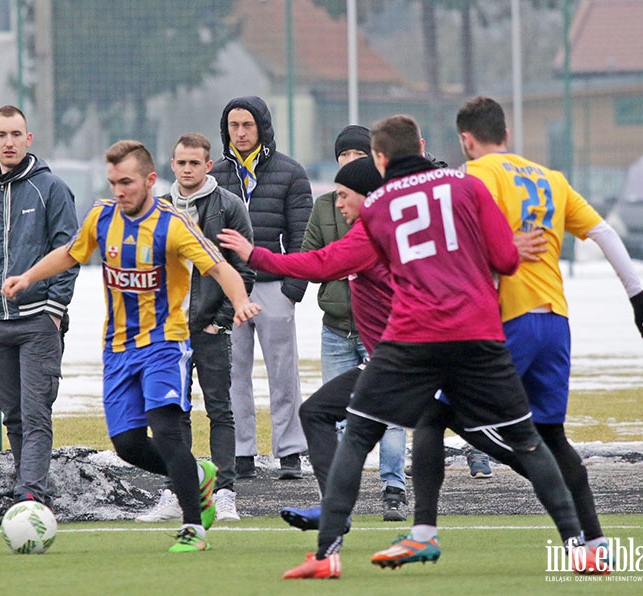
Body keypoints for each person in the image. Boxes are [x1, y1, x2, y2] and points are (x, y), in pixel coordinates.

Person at [281, 114, 594, 579]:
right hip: (481, 333)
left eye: (355, 163)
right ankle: (579, 544)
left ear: (380, 160)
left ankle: (337, 551)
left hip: (421, 344)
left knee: (489, 437)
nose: (342, 197)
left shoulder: (388, 206)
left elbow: (333, 262)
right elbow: (503, 257)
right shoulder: (462, 187)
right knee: (508, 437)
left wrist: (254, 256)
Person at [1, 140, 261, 553]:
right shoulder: (102, 218)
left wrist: (242, 301)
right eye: (113, 182)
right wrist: (28, 277)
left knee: (168, 430)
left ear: (150, 180)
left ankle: (193, 526)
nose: (119, 190)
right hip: (118, 349)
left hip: (165, 344)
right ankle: (198, 476)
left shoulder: (173, 224)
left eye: (127, 182)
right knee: (128, 445)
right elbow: (70, 254)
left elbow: (219, 266)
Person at [455, 95, 643, 561]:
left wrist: (503, 245)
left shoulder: (479, 173)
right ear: (508, 135)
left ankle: (535, 476)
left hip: (512, 319)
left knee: (447, 408)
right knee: (552, 435)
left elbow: (474, 235)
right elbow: (603, 233)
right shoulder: (549, 178)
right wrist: (637, 295)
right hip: (555, 321)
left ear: (467, 140)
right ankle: (595, 544)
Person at [134, 133, 254, 524]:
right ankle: (176, 492)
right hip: (169, 332)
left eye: (194, 163)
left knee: (220, 410)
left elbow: (242, 269)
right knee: (172, 413)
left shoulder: (228, 206)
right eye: (181, 162)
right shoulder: (157, 208)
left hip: (210, 329)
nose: (187, 169)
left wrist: (220, 322)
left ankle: (225, 493)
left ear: (208, 166)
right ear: (171, 165)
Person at [0, 105, 79, 507]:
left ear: (28, 139)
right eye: (2, 135)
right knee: (12, 415)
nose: (9, 142)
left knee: (35, 414)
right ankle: (25, 483)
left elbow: (71, 251)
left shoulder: (51, 189)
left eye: (16, 134)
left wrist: (54, 308)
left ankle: (31, 493)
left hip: (38, 324)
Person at [297, 126, 407, 522]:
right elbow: (312, 256)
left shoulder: (387, 216)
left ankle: (393, 488)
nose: (349, 160)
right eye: (344, 154)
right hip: (337, 325)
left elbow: (327, 261)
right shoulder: (326, 205)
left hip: (387, 341)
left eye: (359, 154)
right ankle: (338, 504)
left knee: (393, 418)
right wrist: (339, 265)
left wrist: (255, 256)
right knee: (332, 416)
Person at [211, 96, 312, 479]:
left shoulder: (290, 172)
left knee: (283, 373)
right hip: (229, 288)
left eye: (247, 125)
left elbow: (302, 234)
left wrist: (293, 288)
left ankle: (289, 452)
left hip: (274, 288)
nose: (240, 132)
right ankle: (241, 453)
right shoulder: (215, 174)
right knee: (233, 373)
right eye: (233, 126)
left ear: (262, 127)